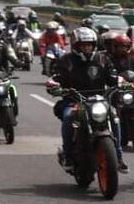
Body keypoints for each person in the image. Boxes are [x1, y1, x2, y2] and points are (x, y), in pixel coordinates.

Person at [53, 27, 128, 173]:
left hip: (98, 101)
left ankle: (118, 157)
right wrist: (56, 86)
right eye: (83, 45)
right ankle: (68, 156)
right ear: (76, 46)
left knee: (114, 116)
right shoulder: (66, 61)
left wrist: (123, 84)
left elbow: (112, 77)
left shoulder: (103, 59)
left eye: (89, 44)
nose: (87, 48)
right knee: (68, 117)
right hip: (74, 101)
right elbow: (57, 78)